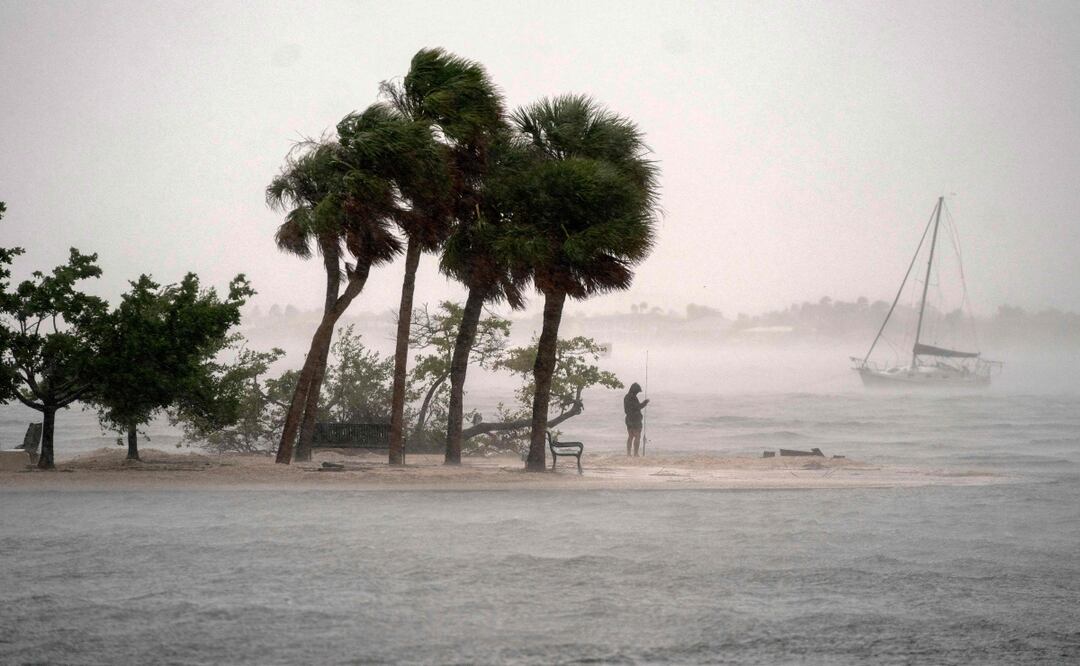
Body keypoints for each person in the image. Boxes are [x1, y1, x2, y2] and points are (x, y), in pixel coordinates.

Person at [623, 383, 649, 457]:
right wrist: (645, 403)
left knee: (630, 436)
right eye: (637, 391)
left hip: (628, 419)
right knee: (637, 436)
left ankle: (628, 453)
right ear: (634, 390)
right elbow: (637, 407)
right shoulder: (632, 397)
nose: (637, 393)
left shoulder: (626, 397)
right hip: (635, 419)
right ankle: (636, 454)